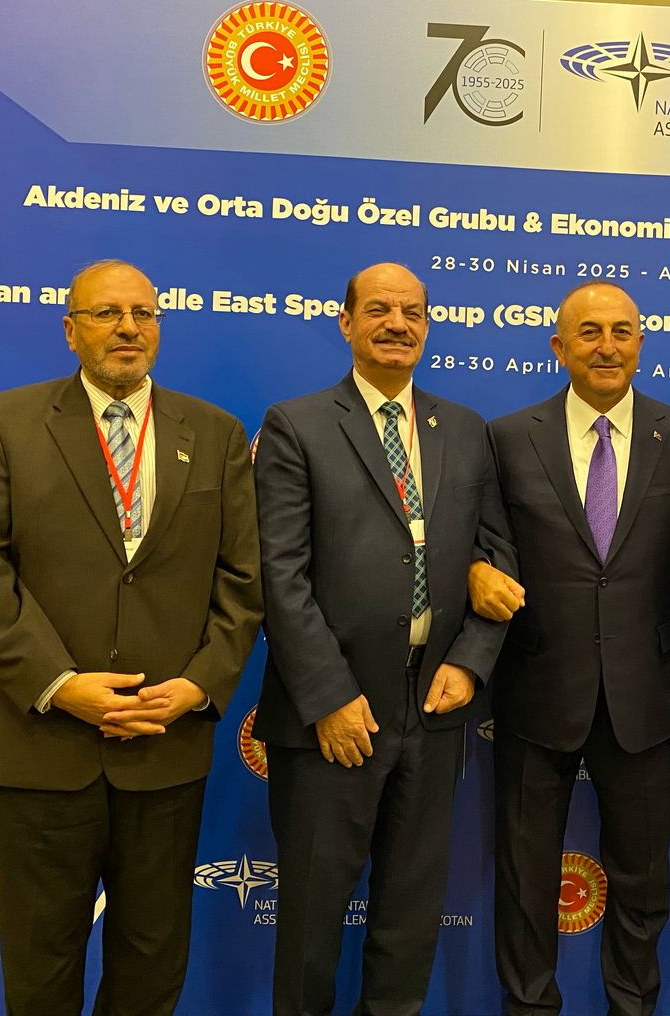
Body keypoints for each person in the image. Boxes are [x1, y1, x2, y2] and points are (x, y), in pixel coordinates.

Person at [0, 259, 263, 1016]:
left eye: (143, 314)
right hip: (39, 743)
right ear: (70, 330)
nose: (128, 328)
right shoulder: (7, 422)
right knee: (40, 965)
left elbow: (242, 581)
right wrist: (62, 686)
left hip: (163, 743)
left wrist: (197, 686)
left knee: (152, 964)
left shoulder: (215, 433)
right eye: (106, 314)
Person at [251, 261, 520, 1016]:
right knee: (311, 927)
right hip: (332, 718)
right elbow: (279, 574)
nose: (397, 324)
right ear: (346, 323)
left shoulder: (464, 429)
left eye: (412, 312)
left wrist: (470, 662)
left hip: (433, 710)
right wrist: (329, 698)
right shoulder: (296, 425)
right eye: (378, 310)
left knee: (409, 921)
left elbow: (497, 556)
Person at [485, 282, 670, 1016]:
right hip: (536, 689)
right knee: (526, 880)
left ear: (641, 343)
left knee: (642, 884)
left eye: (621, 331)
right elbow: (484, 543)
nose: (606, 346)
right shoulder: (508, 437)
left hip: (646, 693)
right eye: (589, 332)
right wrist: (475, 569)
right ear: (559, 347)